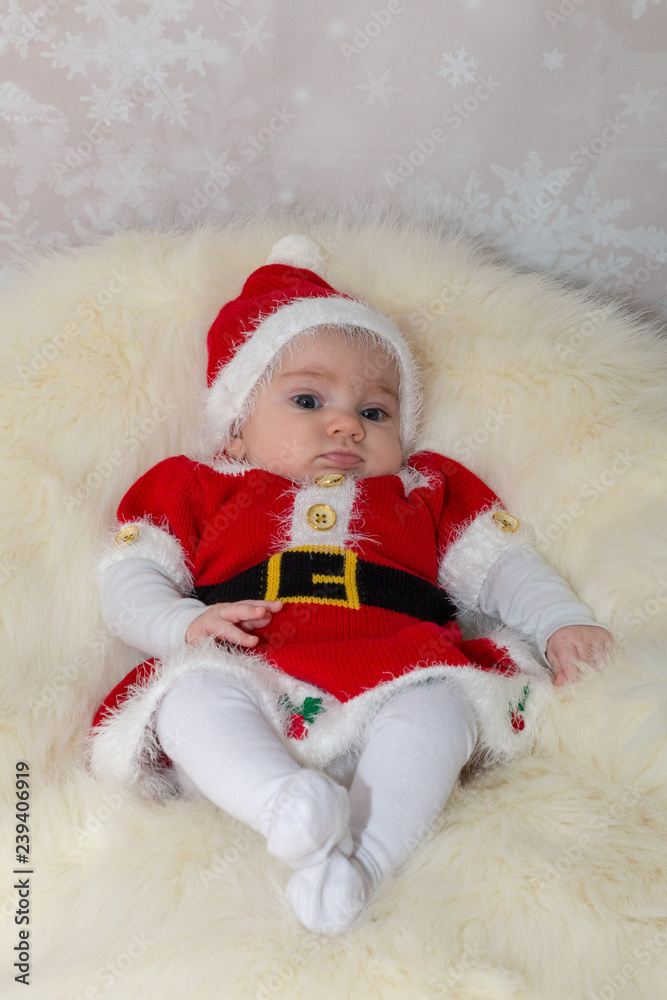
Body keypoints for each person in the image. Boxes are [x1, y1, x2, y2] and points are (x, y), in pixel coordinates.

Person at [89, 235, 613, 934]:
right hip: (254, 671)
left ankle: (360, 865)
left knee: (441, 704)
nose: (345, 423)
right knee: (189, 692)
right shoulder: (201, 486)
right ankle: (281, 801)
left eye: (375, 411)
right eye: (307, 399)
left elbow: (502, 564)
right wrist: (180, 625)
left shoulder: (424, 488)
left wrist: (559, 621)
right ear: (236, 429)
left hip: (395, 666)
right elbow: (129, 575)